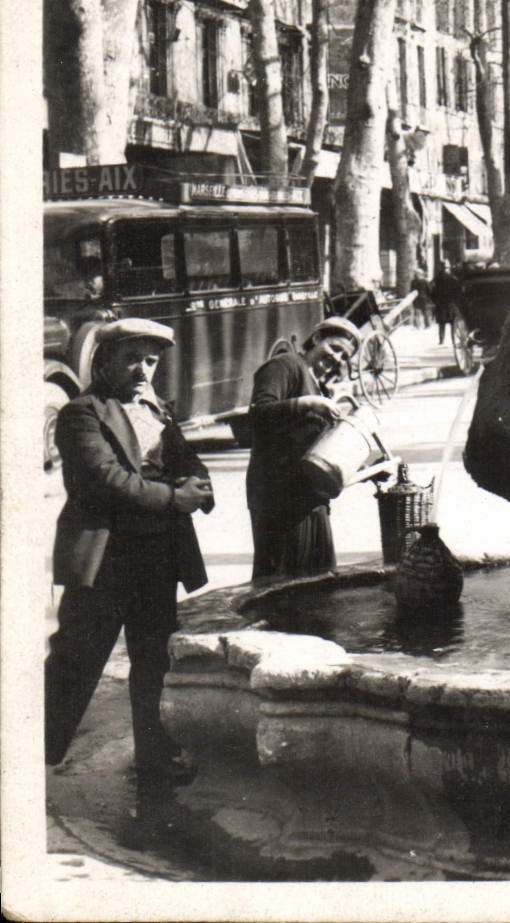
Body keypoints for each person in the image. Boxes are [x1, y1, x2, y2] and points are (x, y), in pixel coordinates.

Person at [46, 319, 215, 786]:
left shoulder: (155, 409)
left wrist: (200, 483)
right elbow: (105, 480)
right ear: (103, 362)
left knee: (153, 661)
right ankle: (29, 755)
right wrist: (171, 498)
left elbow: (184, 457)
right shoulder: (82, 413)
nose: (143, 370)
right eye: (131, 359)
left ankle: (153, 754)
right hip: (107, 560)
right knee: (76, 660)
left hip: (159, 556)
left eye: (151, 361)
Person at [246, 316, 360, 580]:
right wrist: (306, 403)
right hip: (279, 500)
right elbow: (257, 415)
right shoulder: (286, 366)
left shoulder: (320, 387)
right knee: (282, 586)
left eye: (345, 357)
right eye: (335, 348)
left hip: (309, 500)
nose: (338, 359)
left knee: (318, 583)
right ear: (317, 338)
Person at [431, 260, 458, 345]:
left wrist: (435, 301)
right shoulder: (452, 278)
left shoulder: (436, 279)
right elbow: (456, 291)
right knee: (453, 323)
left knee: (441, 323)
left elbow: (432, 291)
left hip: (440, 304)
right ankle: (454, 339)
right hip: (450, 304)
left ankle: (441, 339)